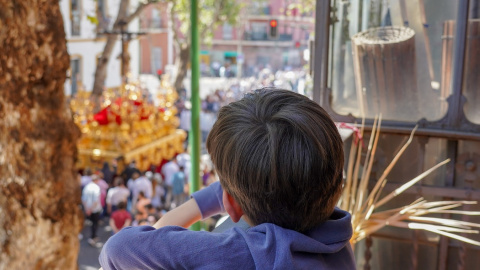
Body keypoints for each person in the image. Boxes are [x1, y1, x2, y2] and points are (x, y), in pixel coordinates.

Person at [99, 88, 355, 269]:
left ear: (230, 204)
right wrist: (233, 191)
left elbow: (118, 249)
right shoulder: (337, 240)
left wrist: (218, 196)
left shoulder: (237, 254)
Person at [82, 174, 103, 247]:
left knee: (91, 223)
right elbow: (95, 200)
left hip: (88, 208)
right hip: (94, 209)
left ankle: (93, 236)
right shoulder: (96, 188)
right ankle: (92, 237)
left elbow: (83, 199)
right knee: (95, 223)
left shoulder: (86, 187)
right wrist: (90, 209)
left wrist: (87, 208)